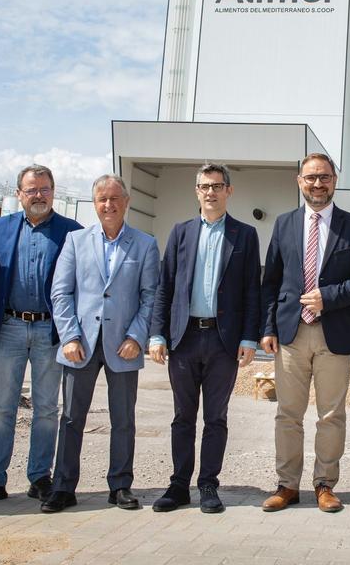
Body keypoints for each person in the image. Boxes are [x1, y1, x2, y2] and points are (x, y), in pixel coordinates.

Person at [0, 165, 82, 506]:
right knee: (1, 408)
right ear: (19, 194)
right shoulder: (0, 228)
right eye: (31, 190)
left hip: (50, 330)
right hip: (8, 328)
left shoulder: (73, 233)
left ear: (54, 192)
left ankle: (40, 476)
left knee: (45, 409)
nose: (38, 195)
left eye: (44, 189)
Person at [259, 153, 350, 513]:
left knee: (331, 414)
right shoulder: (283, 224)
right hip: (291, 333)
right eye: (311, 178)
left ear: (334, 181)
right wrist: (267, 327)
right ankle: (287, 485)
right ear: (300, 181)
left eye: (324, 177)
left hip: (336, 333)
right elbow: (272, 281)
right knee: (288, 413)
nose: (317, 184)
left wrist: (329, 296)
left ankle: (325, 484)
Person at [42, 175, 159, 513]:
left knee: (123, 419)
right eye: (101, 199)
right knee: (71, 419)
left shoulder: (144, 244)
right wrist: (70, 336)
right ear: (94, 203)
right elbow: (60, 292)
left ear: (127, 200)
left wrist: (137, 336)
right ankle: (63, 487)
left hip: (124, 345)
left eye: (114, 198)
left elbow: (149, 296)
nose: (108, 205)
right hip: (81, 344)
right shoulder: (76, 241)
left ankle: (120, 485)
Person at [148, 163, 260, 514]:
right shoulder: (180, 233)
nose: (210, 192)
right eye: (203, 186)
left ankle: (209, 485)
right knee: (183, 416)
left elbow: (251, 293)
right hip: (183, 339)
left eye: (216, 185)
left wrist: (249, 338)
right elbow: (164, 287)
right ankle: (179, 485)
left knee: (216, 418)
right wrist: (157, 334)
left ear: (229, 190)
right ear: (196, 191)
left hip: (223, 342)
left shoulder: (245, 235)